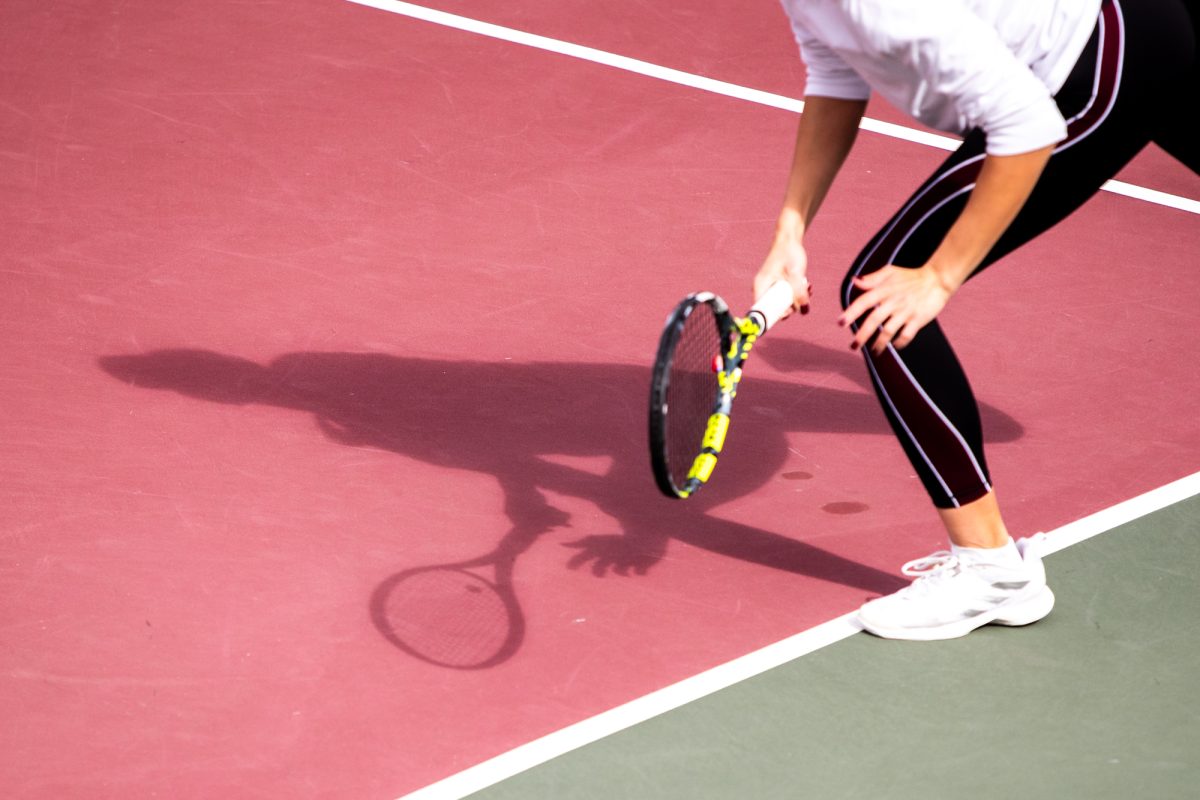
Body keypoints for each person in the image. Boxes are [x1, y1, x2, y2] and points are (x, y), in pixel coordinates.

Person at [754, 0, 1198, 640]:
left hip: (1093, 65)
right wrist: (790, 230)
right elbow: (835, 76)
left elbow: (1028, 126)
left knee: (880, 298)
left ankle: (992, 572)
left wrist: (938, 277)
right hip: (1141, 26)